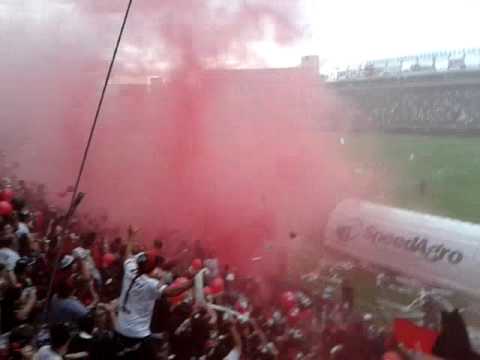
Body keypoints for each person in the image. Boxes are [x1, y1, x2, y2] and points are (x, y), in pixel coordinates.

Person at [115, 235, 193, 358]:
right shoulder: (150, 285)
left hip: (120, 327)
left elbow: (127, 255)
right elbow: (170, 292)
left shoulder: (129, 269)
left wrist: (130, 237)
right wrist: (193, 282)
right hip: (138, 334)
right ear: (150, 269)